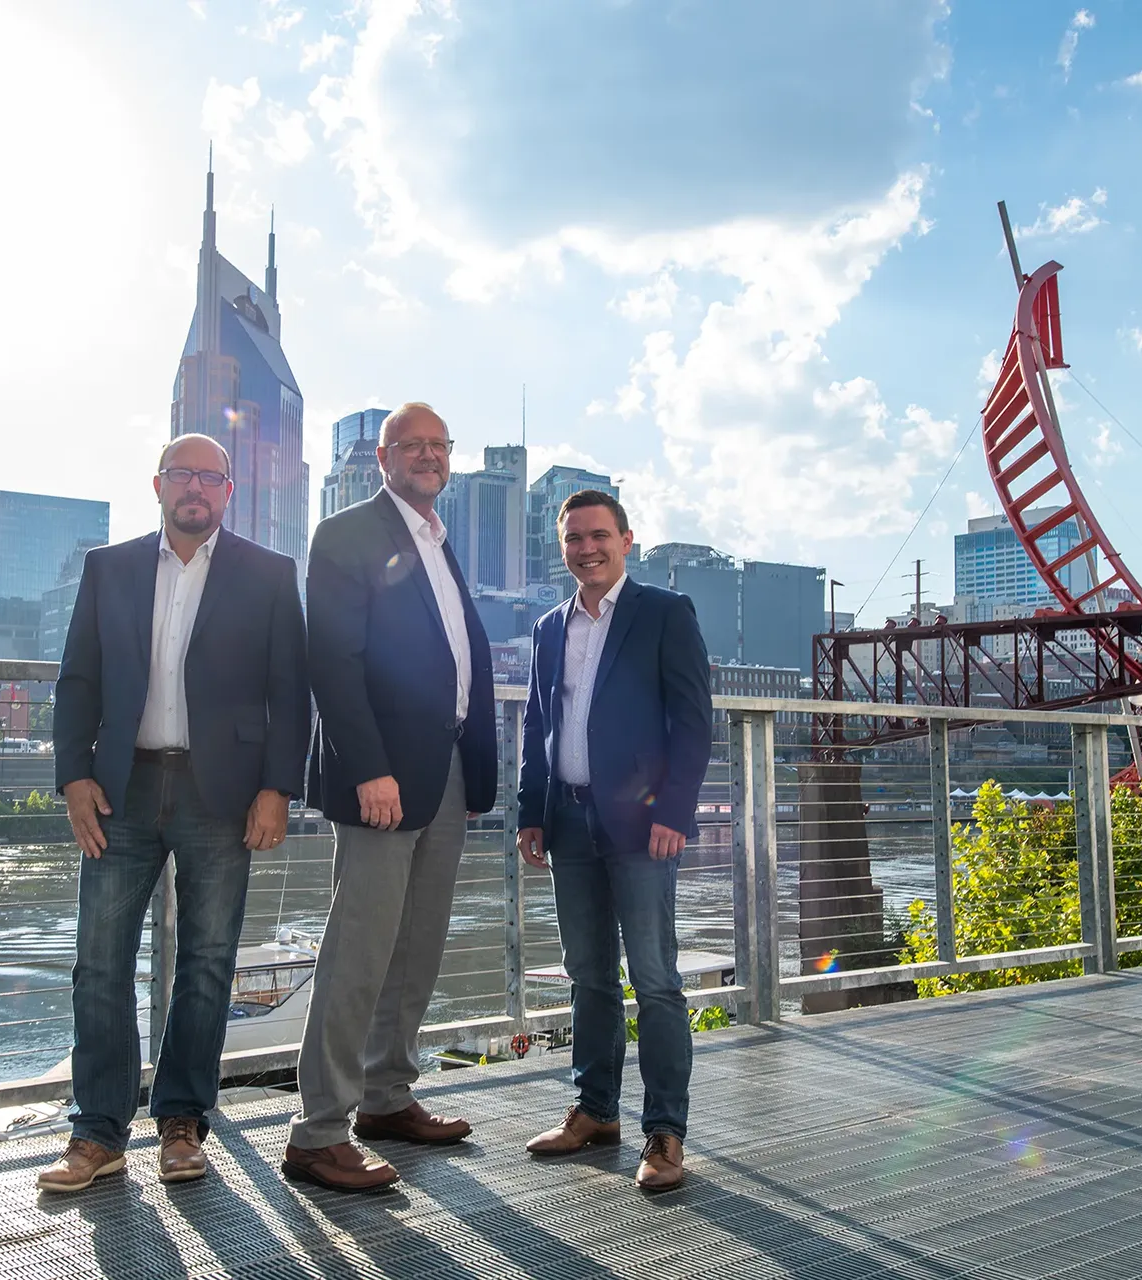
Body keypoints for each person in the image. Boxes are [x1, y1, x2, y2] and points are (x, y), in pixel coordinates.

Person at [38, 433, 310, 1192]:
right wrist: (72, 778)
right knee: (99, 962)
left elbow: (291, 692)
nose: (197, 488)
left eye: (211, 477)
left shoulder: (269, 574)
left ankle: (183, 1121)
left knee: (209, 962)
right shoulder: (109, 567)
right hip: (119, 789)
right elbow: (78, 681)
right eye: (183, 474)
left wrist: (278, 788)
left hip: (223, 792)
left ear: (229, 491)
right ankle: (97, 1132)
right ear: (158, 485)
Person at [283, 402, 498, 1192]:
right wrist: (368, 768)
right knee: (360, 949)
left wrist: (474, 774)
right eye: (412, 445)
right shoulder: (347, 534)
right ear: (382, 457)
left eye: (439, 444)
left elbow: (456, 657)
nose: (428, 456)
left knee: (417, 945)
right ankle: (317, 1133)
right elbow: (334, 662)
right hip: (383, 776)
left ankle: (386, 1096)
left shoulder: (438, 541)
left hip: (444, 771)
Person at [515, 489, 712, 1193]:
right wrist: (530, 812)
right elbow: (538, 725)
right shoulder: (548, 628)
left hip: (642, 825)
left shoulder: (664, 613)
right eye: (574, 539)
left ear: (626, 541)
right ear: (562, 549)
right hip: (567, 821)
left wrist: (675, 811)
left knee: (655, 979)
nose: (586, 549)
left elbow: (693, 721)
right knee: (588, 975)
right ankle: (596, 1111)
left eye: (599, 535)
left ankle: (666, 1132)